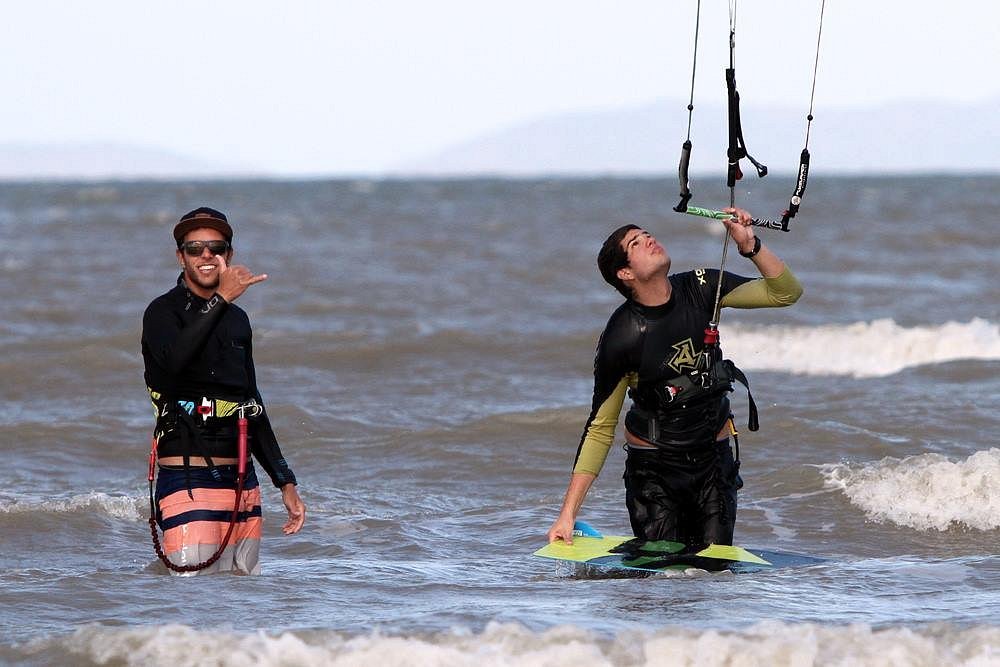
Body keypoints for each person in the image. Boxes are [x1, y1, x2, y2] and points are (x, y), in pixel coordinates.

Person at [547, 207, 802, 549]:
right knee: (664, 579)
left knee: (713, 573)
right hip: (655, 473)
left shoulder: (701, 287)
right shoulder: (622, 337)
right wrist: (566, 514)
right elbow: (600, 427)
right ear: (625, 272)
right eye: (635, 243)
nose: (648, 239)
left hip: (714, 462)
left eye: (646, 234)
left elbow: (785, 293)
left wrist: (750, 246)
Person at [141, 206, 306, 575]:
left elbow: (251, 402)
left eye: (215, 247)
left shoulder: (237, 320)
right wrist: (222, 300)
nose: (206, 255)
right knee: (189, 600)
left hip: (244, 484)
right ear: (180, 256)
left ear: (228, 255)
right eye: (195, 247)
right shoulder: (161, 313)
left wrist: (285, 479)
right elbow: (174, 363)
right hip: (189, 479)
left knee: (240, 603)